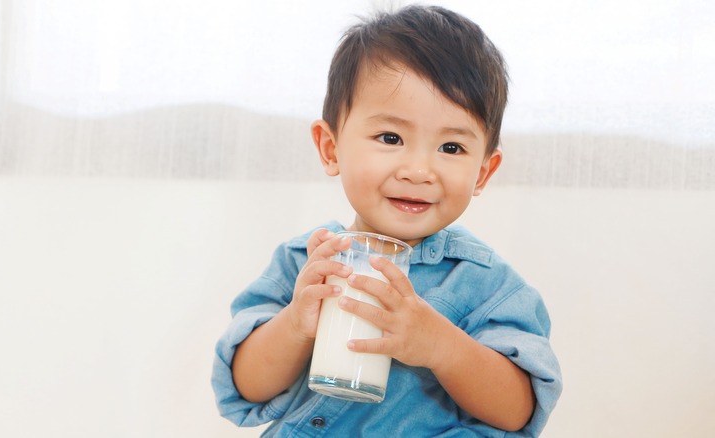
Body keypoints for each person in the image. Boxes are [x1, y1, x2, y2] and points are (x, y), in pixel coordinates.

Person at [212, 4, 562, 436]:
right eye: (390, 138)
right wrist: (295, 326)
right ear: (330, 148)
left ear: (483, 172)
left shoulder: (486, 285)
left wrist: (441, 346)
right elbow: (247, 388)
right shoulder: (307, 261)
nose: (419, 170)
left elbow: (518, 412)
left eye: (451, 148)